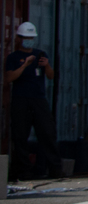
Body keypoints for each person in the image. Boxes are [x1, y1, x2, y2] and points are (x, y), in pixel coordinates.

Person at [3, 21, 62, 180]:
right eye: (26, 37)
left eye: (31, 37)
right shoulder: (13, 57)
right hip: (21, 99)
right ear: (20, 38)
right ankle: (23, 170)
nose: (29, 40)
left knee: (47, 133)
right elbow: (9, 78)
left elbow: (51, 76)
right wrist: (24, 66)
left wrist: (47, 65)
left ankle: (55, 169)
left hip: (38, 98)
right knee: (20, 135)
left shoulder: (41, 54)